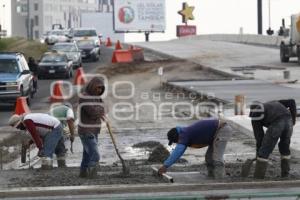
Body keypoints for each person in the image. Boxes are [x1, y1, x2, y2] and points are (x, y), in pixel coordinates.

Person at [158, 118, 233, 179]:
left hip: (222, 130)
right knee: (209, 157)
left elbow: (178, 152)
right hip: (215, 133)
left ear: (177, 137)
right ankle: (212, 177)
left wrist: (165, 166)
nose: (178, 143)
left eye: (176, 141)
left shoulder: (184, 134)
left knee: (216, 158)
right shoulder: (185, 133)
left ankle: (220, 179)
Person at [249, 99, 296, 179]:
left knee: (264, 150)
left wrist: (259, 154)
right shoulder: (273, 103)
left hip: (277, 123)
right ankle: (285, 175)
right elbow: (292, 101)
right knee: (284, 147)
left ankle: (258, 177)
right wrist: (293, 120)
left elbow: (259, 137)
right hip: (288, 121)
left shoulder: (255, 115)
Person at [78, 77, 105, 178]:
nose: (99, 90)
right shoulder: (84, 97)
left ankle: (83, 174)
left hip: (94, 130)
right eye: (97, 88)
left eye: (101, 88)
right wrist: (99, 110)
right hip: (86, 131)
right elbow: (93, 112)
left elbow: (102, 109)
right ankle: (92, 176)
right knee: (95, 155)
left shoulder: (97, 98)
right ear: (92, 86)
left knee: (87, 155)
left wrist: (100, 110)